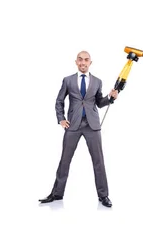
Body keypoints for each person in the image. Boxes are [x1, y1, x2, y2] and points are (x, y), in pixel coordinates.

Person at [39, 51, 118, 208]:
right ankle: (57, 193)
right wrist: (61, 118)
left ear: (90, 62)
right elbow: (59, 101)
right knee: (65, 160)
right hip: (73, 126)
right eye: (80, 60)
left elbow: (99, 102)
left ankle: (104, 196)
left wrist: (110, 98)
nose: (83, 63)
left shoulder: (97, 81)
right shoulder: (68, 80)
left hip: (92, 125)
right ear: (76, 62)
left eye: (86, 60)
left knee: (98, 161)